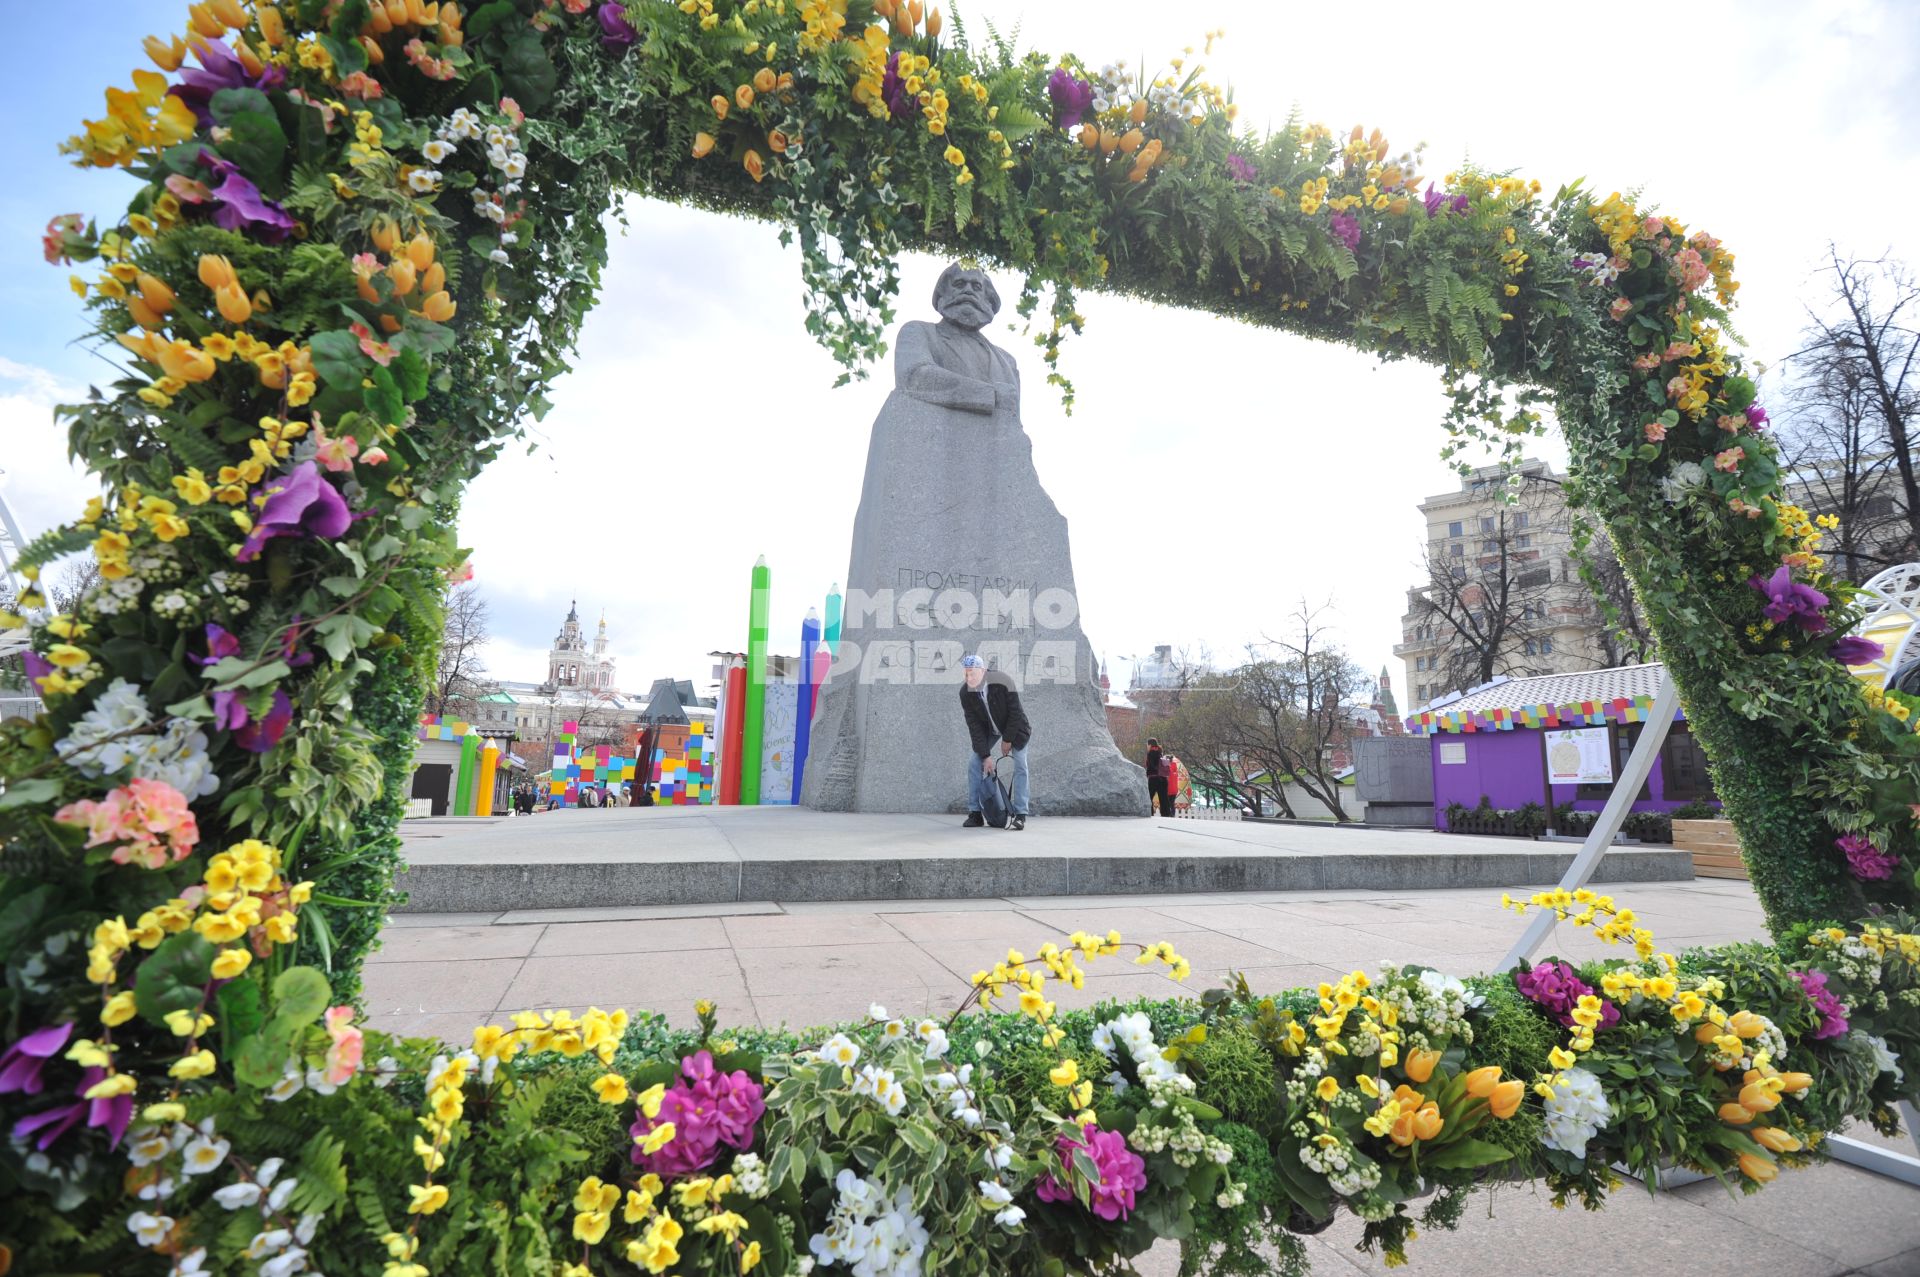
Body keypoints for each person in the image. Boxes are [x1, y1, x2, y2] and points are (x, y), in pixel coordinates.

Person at [959, 654, 1031, 829]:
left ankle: (1020, 814)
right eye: (966, 674)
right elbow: (974, 727)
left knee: (1021, 764)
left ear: (983, 671)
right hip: (989, 730)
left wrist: (1007, 740)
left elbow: (1015, 713)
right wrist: (986, 756)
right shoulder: (965, 693)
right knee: (973, 762)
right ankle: (975, 813)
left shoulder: (1003, 681)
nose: (970, 678)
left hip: (1014, 728)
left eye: (973, 674)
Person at [1145, 737, 1174, 817]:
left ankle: (1149, 813)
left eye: (1147, 745)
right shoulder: (1160, 752)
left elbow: (1151, 765)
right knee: (1164, 798)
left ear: (1150, 745)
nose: (1147, 746)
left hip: (1153, 779)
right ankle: (1166, 814)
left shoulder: (1151, 753)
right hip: (1163, 779)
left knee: (1148, 797)